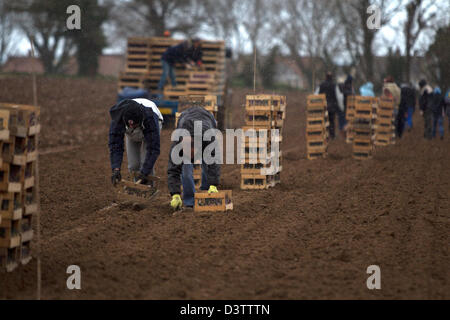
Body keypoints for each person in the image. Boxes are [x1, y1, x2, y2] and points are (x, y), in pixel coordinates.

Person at [168, 106, 220, 210]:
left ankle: (207, 191)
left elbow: (214, 162)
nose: (191, 158)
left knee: (208, 162)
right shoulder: (178, 144)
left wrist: (213, 184)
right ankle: (189, 202)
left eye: (191, 155)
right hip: (185, 116)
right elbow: (173, 170)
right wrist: (175, 194)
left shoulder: (208, 138)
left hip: (207, 118)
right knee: (186, 170)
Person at [109, 99, 161, 186]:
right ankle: (137, 188)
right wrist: (116, 169)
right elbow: (115, 144)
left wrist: (145, 172)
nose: (132, 126)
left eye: (134, 125)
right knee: (133, 165)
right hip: (130, 132)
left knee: (145, 161)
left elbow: (153, 149)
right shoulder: (118, 119)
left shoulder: (150, 119)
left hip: (148, 129)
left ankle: (149, 187)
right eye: (130, 125)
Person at [319, 72, 339, 139]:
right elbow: (337, 95)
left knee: (324, 120)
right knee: (332, 121)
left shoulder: (322, 85)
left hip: (324, 105)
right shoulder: (334, 85)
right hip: (332, 106)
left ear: (326, 77)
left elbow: (319, 95)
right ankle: (332, 135)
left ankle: (325, 135)